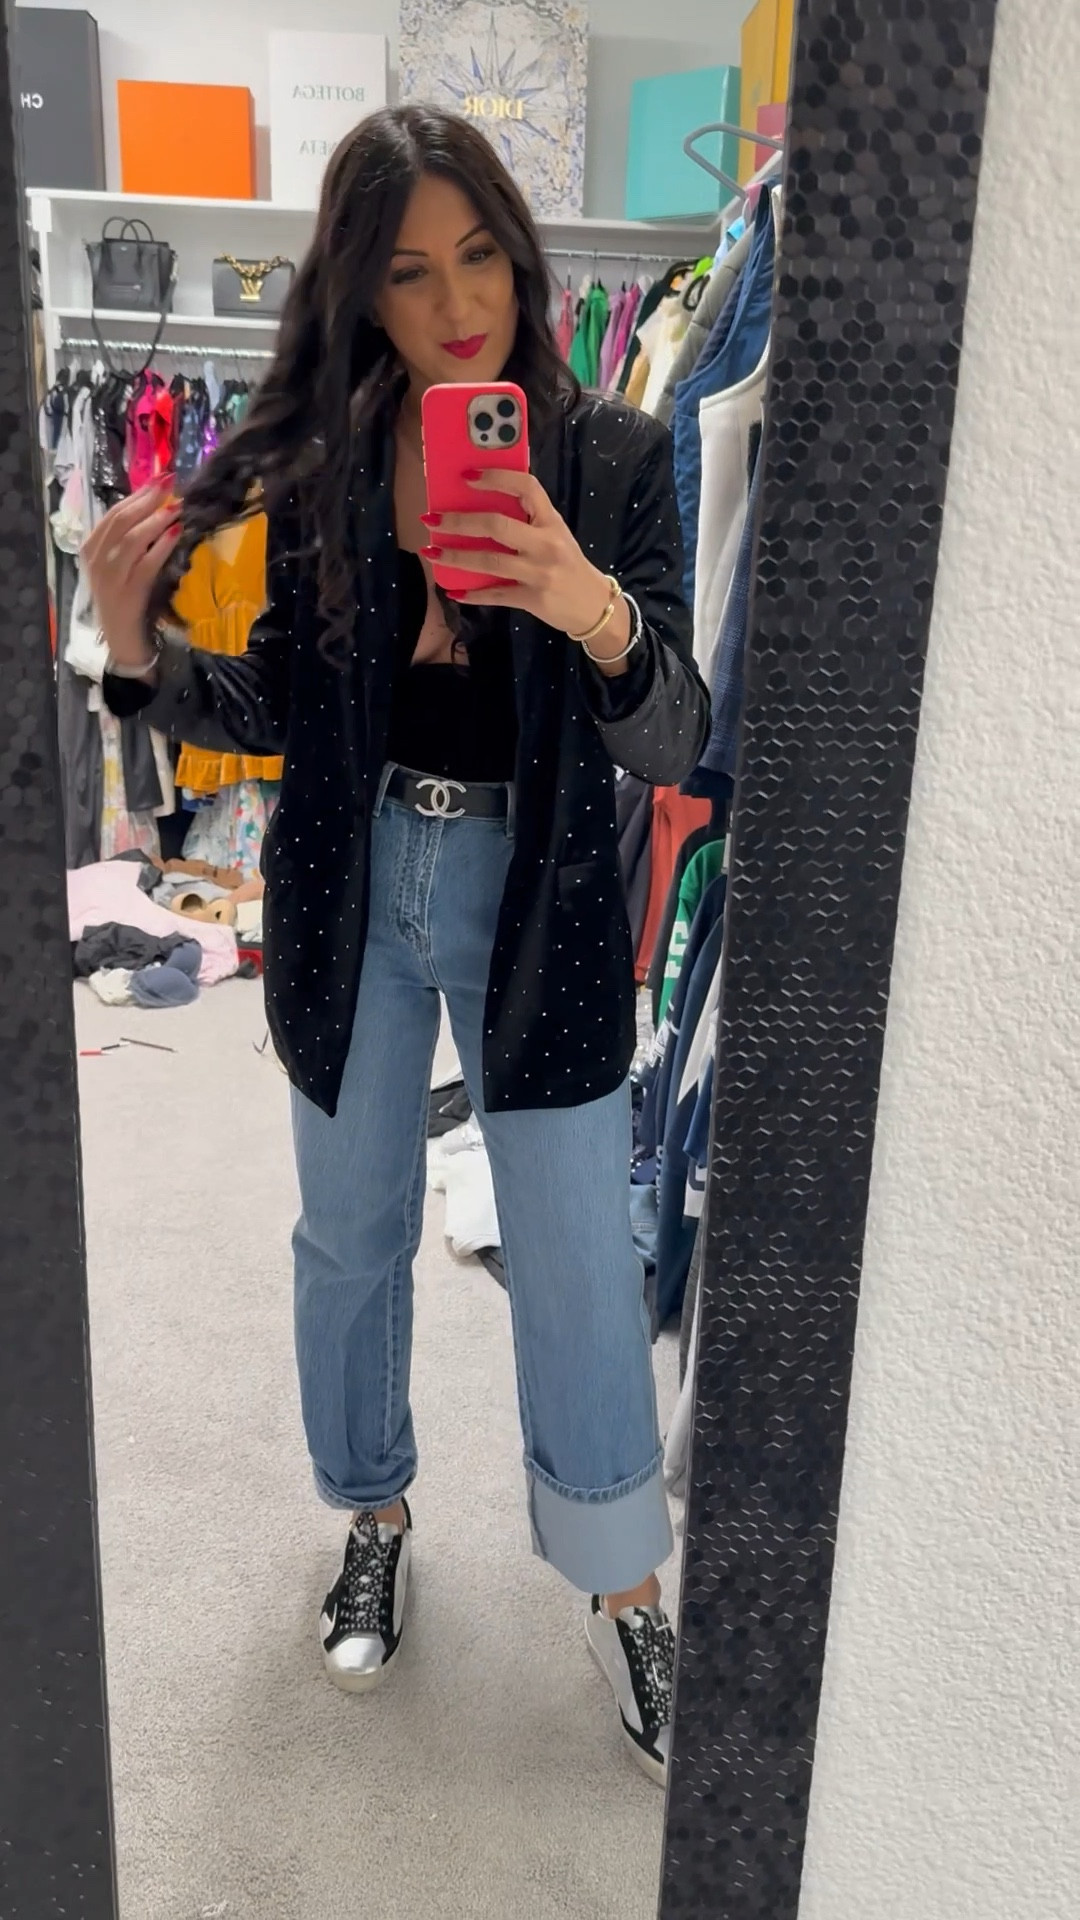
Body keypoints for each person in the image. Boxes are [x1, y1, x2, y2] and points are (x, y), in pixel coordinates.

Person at [83, 104, 710, 1788]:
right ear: (361, 292)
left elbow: (675, 734)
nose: (459, 305)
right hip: (353, 879)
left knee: (575, 1253)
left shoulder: (616, 456)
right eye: (412, 273)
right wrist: (135, 654)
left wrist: (584, 600)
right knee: (348, 1236)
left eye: (482, 257)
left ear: (523, 253)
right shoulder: (333, 467)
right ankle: (373, 1515)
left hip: (539, 899)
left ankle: (622, 1585)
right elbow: (276, 702)